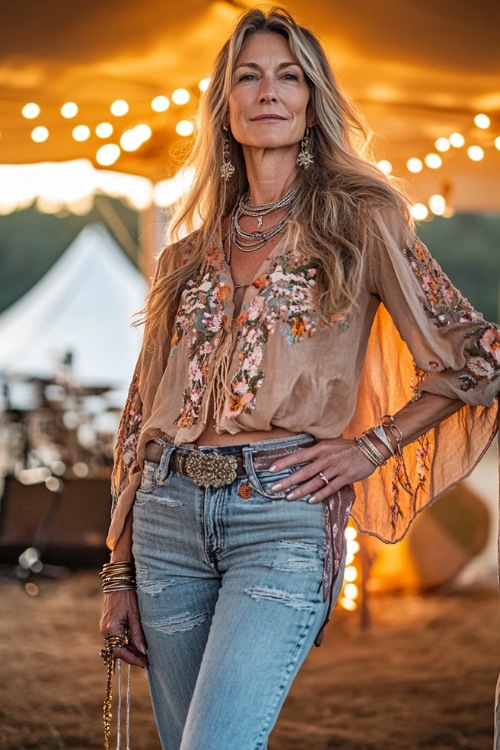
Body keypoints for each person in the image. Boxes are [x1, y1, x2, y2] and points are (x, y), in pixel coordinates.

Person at [100, 7, 500, 749]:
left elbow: (471, 357)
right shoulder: (182, 259)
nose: (268, 91)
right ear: (225, 105)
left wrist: (370, 447)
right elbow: (138, 420)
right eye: (247, 76)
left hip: (280, 516)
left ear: (314, 100)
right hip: (165, 520)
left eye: (289, 76)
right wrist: (117, 573)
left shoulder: (362, 222)